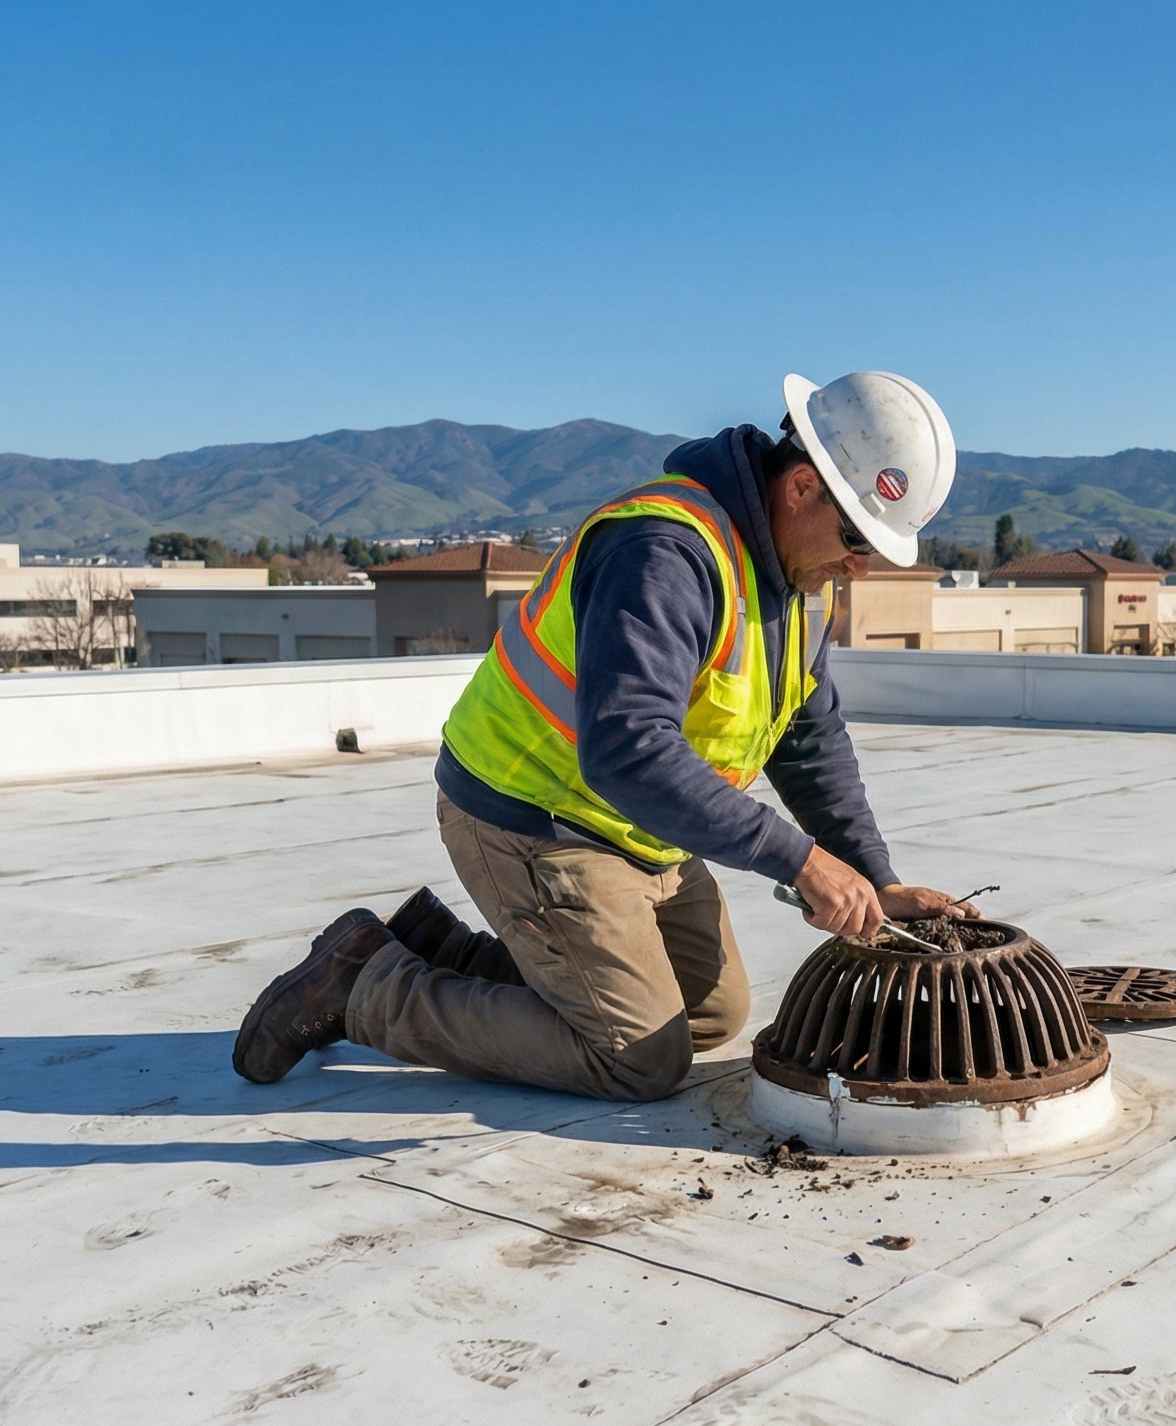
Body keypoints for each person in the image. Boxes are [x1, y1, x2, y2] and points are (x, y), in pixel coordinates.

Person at [230, 371, 980, 1100]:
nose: (860, 563)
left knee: (713, 1015)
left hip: (641, 829)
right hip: (534, 817)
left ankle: (437, 949)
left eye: (877, 548)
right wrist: (799, 861)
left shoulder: (799, 586)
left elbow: (808, 738)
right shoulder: (665, 553)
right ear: (802, 486)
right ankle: (363, 984)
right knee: (639, 1062)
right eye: (857, 535)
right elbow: (627, 746)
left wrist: (874, 875)